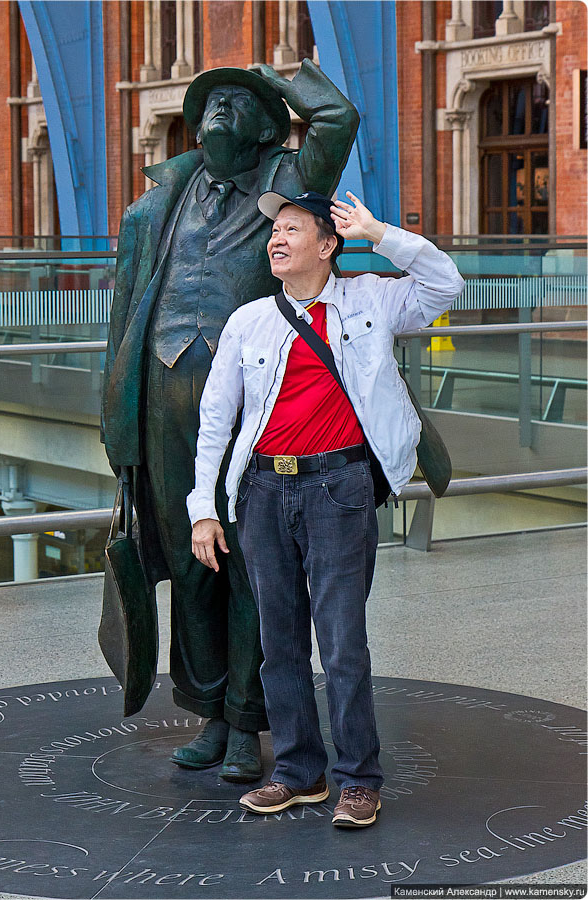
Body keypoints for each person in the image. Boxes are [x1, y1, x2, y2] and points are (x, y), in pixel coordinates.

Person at [101, 61, 358, 783]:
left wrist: (276, 74)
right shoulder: (156, 206)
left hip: (251, 401)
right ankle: (210, 709)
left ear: (268, 125)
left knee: (253, 565)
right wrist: (115, 423)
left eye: (235, 102)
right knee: (191, 565)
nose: (218, 110)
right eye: (210, 101)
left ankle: (250, 720)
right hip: (160, 399)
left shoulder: (287, 184)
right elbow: (121, 318)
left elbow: (337, 120)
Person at [187, 189, 465, 826]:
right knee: (277, 644)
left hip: (336, 489)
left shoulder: (370, 299)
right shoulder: (249, 320)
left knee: (342, 644)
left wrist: (379, 232)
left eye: (291, 229)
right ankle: (298, 771)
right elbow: (214, 419)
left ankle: (358, 777)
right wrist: (203, 505)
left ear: (327, 245)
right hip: (261, 492)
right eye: (273, 231)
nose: (276, 240)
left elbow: (445, 282)